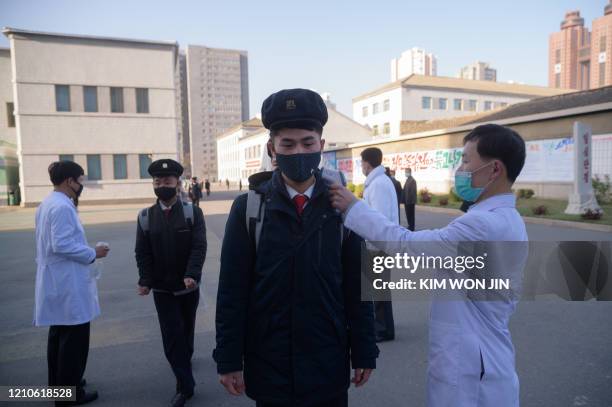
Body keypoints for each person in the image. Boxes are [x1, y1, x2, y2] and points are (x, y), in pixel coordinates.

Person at [329, 124, 529, 407]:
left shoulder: (481, 224)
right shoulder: (506, 218)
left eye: (466, 161)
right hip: (483, 354)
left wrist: (353, 207)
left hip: (472, 366)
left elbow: (408, 245)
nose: (460, 169)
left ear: (495, 169)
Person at [214, 88, 378, 407]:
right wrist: (228, 358)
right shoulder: (248, 209)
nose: (298, 151)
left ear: (321, 146)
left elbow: (362, 287)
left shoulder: (345, 207)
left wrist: (365, 350)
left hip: (327, 363)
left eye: (307, 142)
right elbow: (232, 290)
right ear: (272, 148)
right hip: (269, 366)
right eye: (287, 144)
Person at [35, 160, 110, 405]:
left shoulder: (48, 203)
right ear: (70, 181)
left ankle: (60, 385)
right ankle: (70, 393)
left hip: (58, 280)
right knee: (73, 340)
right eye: (80, 180)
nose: (81, 185)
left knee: (59, 335)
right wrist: (93, 252)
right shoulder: (62, 207)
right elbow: (62, 245)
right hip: (67, 282)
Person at [135, 159, 207, 407]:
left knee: (186, 330)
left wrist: (192, 274)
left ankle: (184, 362)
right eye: (157, 182)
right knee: (172, 335)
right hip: (163, 289)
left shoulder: (192, 213)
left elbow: (199, 246)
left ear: (177, 183)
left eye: (167, 181)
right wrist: (145, 280)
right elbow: (142, 252)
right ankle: (185, 387)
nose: (162, 185)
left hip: (188, 287)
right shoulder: (145, 217)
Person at [361, 148, 398, 342]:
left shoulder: (378, 185)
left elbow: (379, 219)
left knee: (379, 287)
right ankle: (384, 324)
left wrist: (372, 244)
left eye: (361, 163)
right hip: (380, 244)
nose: (361, 167)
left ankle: (383, 329)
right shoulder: (378, 182)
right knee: (379, 286)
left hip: (378, 246)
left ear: (367, 163)